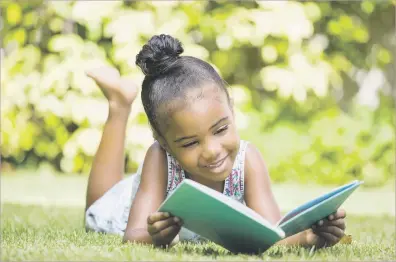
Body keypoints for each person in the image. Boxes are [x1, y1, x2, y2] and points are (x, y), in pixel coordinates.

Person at [84, 34, 346, 252]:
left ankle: (121, 101)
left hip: (142, 191)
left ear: (231, 109)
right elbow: (133, 235)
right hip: (123, 209)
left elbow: (271, 233)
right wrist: (157, 237)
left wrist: (312, 236)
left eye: (220, 129)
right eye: (189, 143)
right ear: (163, 141)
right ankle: (119, 105)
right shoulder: (160, 158)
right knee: (98, 205)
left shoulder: (248, 161)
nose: (211, 151)